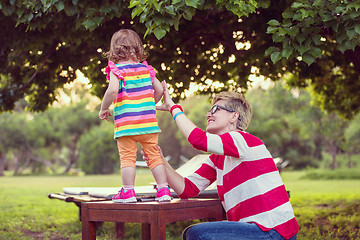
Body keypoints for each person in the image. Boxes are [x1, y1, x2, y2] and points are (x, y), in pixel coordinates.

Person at [148, 81, 299, 239]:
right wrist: (161, 161)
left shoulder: (243, 141)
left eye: (216, 109)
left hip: (273, 230)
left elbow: (197, 140)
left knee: (196, 234)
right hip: (253, 229)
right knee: (193, 233)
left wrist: (173, 107)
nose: (208, 115)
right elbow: (187, 189)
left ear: (234, 116)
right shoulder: (217, 158)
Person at [99, 29, 171, 203]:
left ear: (115, 49)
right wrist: (150, 105)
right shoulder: (146, 69)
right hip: (148, 124)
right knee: (154, 156)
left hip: (127, 125)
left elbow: (113, 90)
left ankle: (128, 192)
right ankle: (163, 191)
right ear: (138, 48)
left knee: (128, 159)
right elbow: (160, 90)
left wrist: (104, 108)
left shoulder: (116, 69)